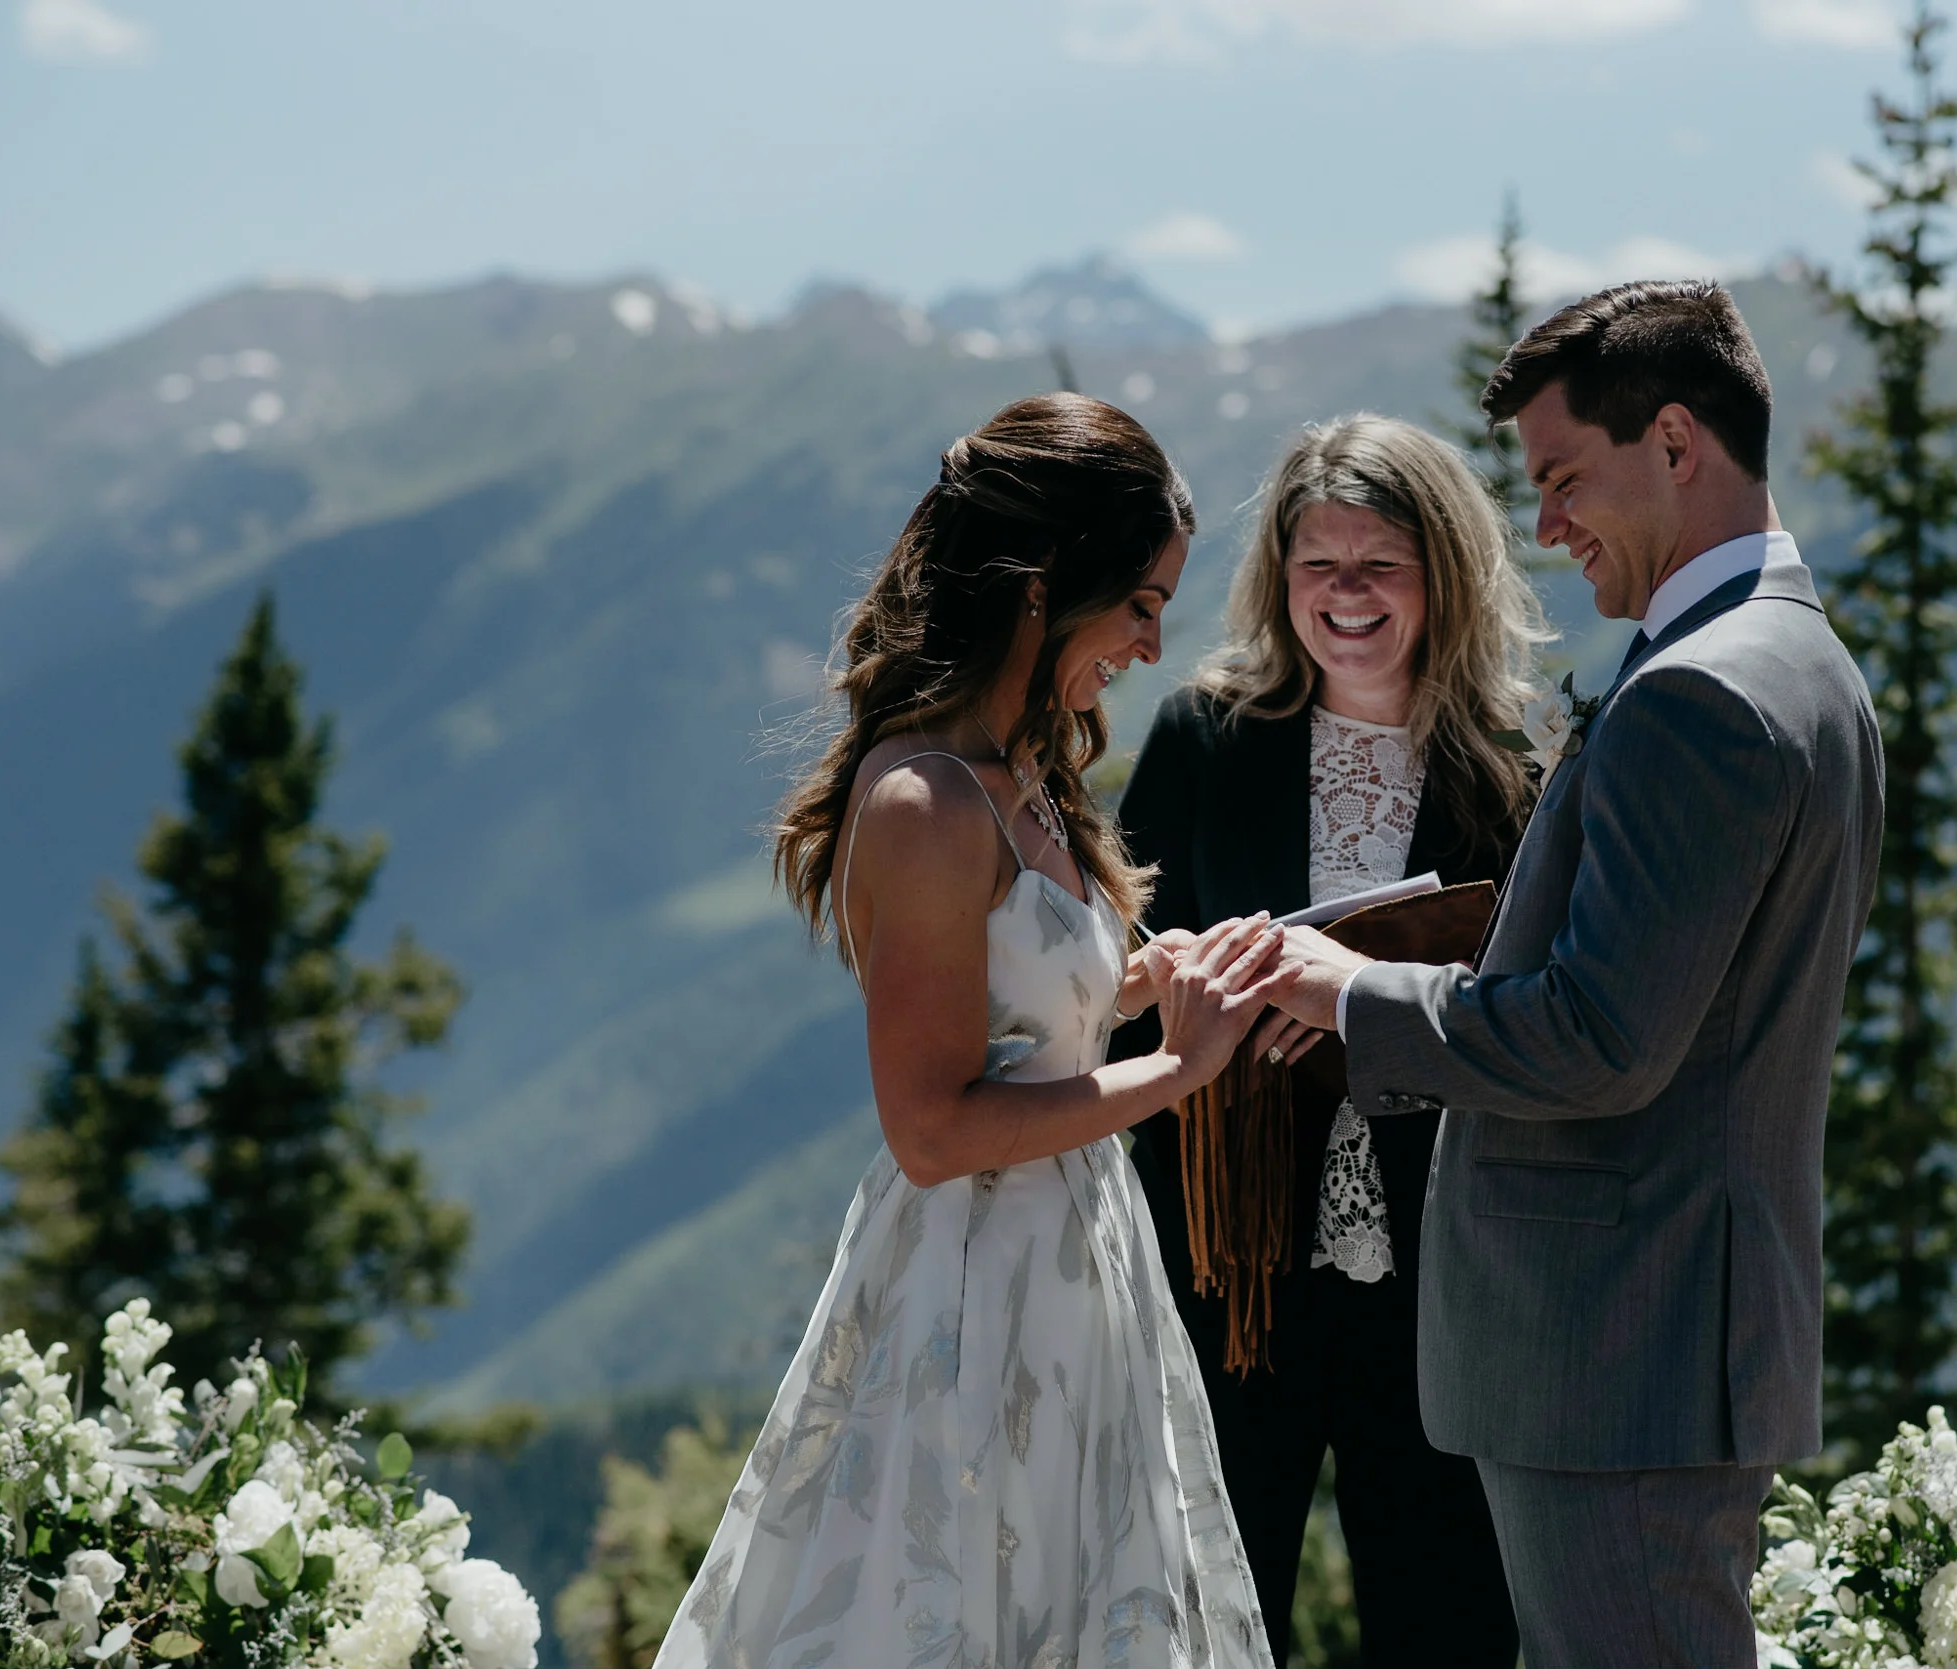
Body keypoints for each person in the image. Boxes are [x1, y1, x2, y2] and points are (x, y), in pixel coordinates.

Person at [1249, 283, 1885, 1668]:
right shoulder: (1806, 664)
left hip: (1620, 1360)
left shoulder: (1701, 695)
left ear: (1673, 443)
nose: (1543, 526)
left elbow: (1603, 1039)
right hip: (1667, 1347)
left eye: (1561, 480)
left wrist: (1339, 991)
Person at [653, 393, 1274, 1668]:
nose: (1154, 647)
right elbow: (933, 1128)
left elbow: (1025, 1020)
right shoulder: (924, 802)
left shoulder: (1024, 772)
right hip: (971, 1295)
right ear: (1046, 586)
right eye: (1142, 602)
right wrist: (1176, 1066)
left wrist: (1152, 980)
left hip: (1076, 1271)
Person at [1115, 414, 1538, 1666]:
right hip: (1228, 1261)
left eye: (1380, 565)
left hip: (1440, 1269)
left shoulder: (1515, 769)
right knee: (1209, 1602)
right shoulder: (1203, 738)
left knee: (1444, 1609)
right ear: (1278, 576)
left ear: (1443, 576)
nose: (1344, 596)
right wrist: (1240, 1002)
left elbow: (1538, 1015)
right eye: (1318, 564)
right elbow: (1119, 979)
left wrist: (1371, 1005)